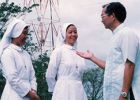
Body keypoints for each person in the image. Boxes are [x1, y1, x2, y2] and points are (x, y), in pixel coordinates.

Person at [77, 2, 140, 100]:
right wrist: (92, 58)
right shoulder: (115, 37)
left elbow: (130, 64)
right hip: (114, 94)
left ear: (113, 16)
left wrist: (123, 94)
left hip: (127, 95)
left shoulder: (127, 34)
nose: (101, 19)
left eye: (103, 15)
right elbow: (111, 67)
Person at [0, 18, 40, 100]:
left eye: (27, 34)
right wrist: (29, 94)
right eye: (24, 33)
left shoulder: (26, 54)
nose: (26, 37)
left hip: (29, 96)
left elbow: (32, 76)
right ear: (16, 33)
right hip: (13, 95)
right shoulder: (8, 52)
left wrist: (33, 90)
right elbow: (12, 78)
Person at [46, 23, 88, 100]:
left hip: (79, 91)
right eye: (70, 32)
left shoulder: (80, 54)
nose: (73, 34)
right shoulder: (59, 51)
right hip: (63, 91)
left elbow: (80, 76)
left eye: (75, 32)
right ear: (64, 35)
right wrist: (55, 90)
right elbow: (50, 75)